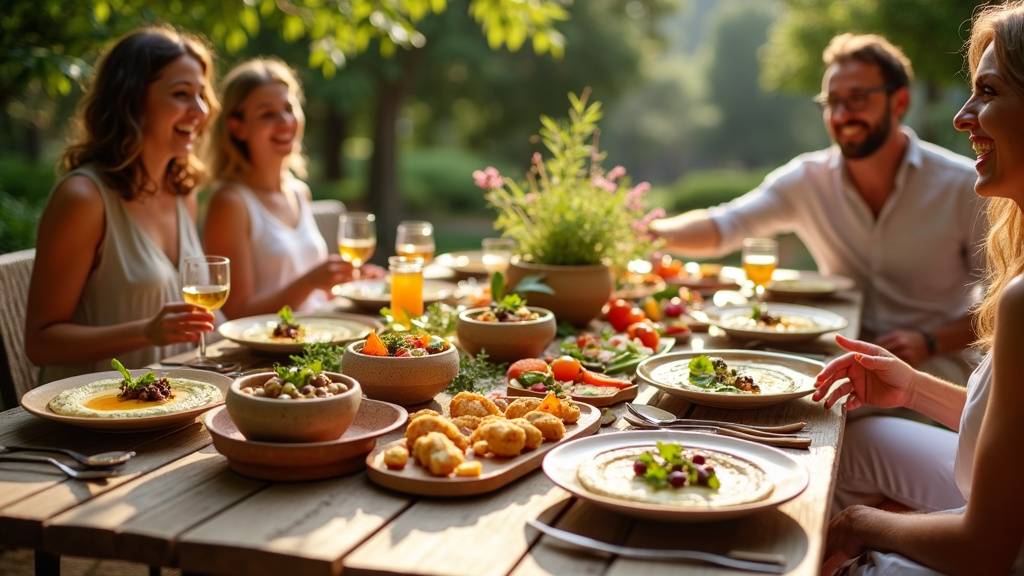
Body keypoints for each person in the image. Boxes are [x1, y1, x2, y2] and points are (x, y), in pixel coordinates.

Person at [814, 3, 1024, 573]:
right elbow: (1009, 432)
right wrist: (910, 390)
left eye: (989, 91)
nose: (963, 116)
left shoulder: (1022, 299)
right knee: (852, 442)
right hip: (996, 496)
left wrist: (862, 527)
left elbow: (987, 548)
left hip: (999, 548)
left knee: (845, 547)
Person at [651, 33, 986, 385]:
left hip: (936, 373)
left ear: (899, 102)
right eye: (832, 102)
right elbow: (724, 226)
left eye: (857, 99)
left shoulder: (962, 185)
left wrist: (930, 341)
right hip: (838, 366)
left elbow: (1001, 305)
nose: (842, 115)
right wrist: (647, 233)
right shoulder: (806, 180)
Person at [24, 26, 218, 383]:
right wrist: (145, 332)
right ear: (130, 100)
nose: (200, 110)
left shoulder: (182, 193)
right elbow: (40, 343)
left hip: (170, 404)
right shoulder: (84, 198)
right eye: (181, 94)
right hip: (92, 420)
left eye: (201, 94)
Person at [204, 58, 379, 318]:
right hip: (267, 353)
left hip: (316, 336)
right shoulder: (230, 203)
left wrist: (351, 282)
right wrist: (309, 282)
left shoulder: (298, 191)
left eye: (288, 108)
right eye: (267, 114)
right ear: (237, 127)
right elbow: (236, 312)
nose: (285, 121)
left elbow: (315, 296)